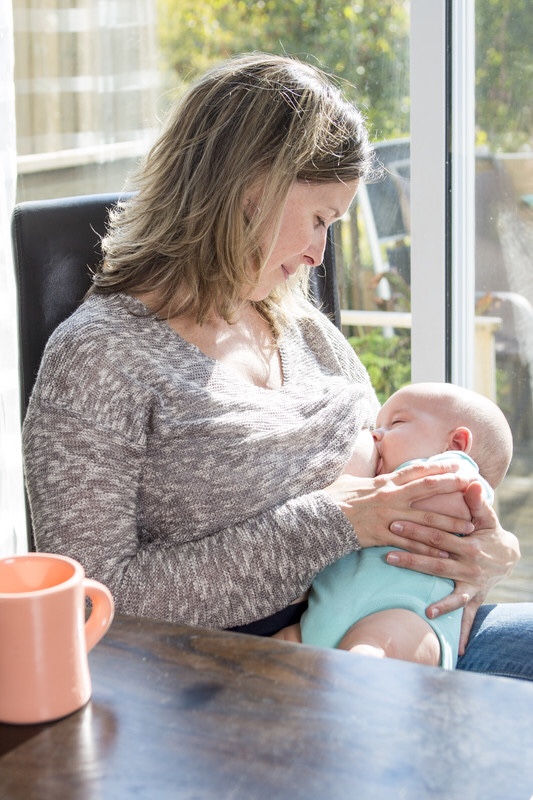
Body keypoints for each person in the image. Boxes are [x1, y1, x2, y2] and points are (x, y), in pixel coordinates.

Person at [22, 53, 533, 680]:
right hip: (245, 670)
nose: (320, 254)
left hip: (403, 614)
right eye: (319, 219)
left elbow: (387, 473)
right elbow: (93, 598)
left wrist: (485, 549)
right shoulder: (101, 356)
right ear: (251, 186)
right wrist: (336, 524)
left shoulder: (300, 326)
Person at [276, 382, 512, 670]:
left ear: (456, 443)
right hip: (320, 617)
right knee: (261, 655)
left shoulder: (455, 471)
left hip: (405, 615)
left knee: (370, 652)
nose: (376, 435)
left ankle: (352, 687)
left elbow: (455, 507)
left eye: (396, 423)